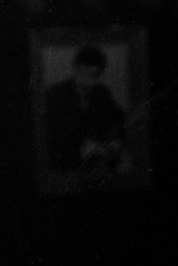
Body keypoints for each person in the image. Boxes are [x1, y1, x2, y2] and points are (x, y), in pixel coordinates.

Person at [43, 44, 127, 177]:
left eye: (95, 76)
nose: (89, 81)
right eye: (85, 73)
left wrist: (115, 142)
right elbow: (50, 139)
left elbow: (118, 121)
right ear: (76, 69)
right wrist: (80, 149)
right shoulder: (55, 95)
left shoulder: (101, 93)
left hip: (96, 166)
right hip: (65, 168)